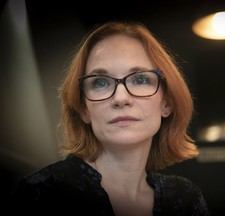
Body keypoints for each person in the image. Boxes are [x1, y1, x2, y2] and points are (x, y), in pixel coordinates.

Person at [9, 21, 210, 215]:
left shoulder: (186, 199)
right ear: (84, 109)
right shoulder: (40, 194)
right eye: (100, 83)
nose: (121, 98)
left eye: (140, 79)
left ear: (167, 103)